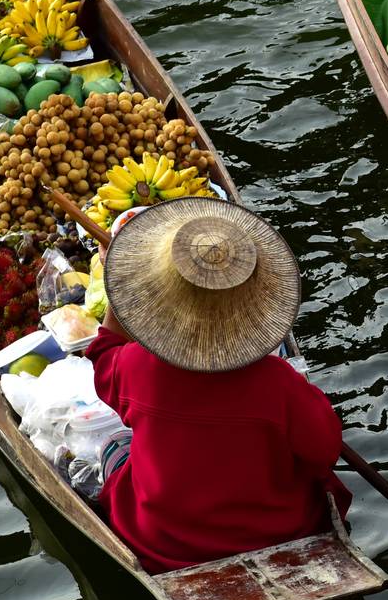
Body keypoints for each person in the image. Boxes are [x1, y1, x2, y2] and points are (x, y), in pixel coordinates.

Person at [84, 198, 350, 573]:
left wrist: (118, 279)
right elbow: (324, 451)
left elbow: (103, 351)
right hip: (280, 534)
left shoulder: (135, 364)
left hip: (166, 543)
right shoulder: (278, 382)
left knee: (114, 446)